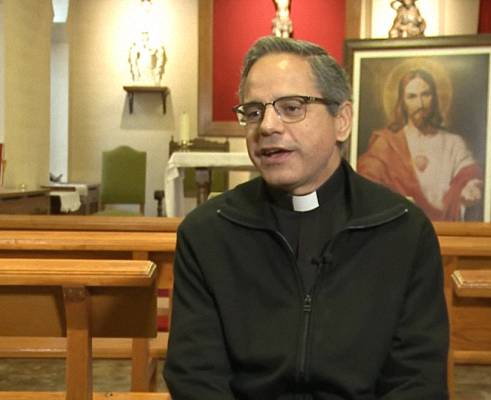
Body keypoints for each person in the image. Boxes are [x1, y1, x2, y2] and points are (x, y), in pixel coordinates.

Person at [163, 36, 449, 399]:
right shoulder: (207, 233)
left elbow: (417, 381)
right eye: (254, 111)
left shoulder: (403, 230)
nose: (267, 126)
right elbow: (195, 377)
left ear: (341, 121)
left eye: (291, 107)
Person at [357, 69, 483, 221]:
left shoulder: (453, 143)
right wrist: (392, 201)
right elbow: (366, 181)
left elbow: (470, 174)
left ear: (434, 98)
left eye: (426, 95)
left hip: (444, 228)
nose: (420, 104)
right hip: (400, 224)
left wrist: (470, 187)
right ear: (402, 102)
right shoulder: (387, 143)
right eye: (412, 97)